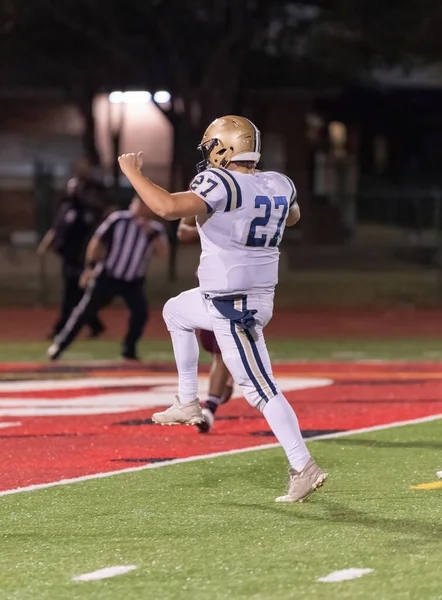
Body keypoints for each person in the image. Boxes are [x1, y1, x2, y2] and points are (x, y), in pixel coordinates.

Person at [118, 115, 327, 503]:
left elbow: (164, 207)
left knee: (260, 389)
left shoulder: (220, 182)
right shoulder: (279, 183)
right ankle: (187, 402)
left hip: (235, 304)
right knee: (175, 311)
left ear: (225, 146)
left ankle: (304, 465)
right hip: (237, 296)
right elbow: (291, 216)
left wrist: (132, 172)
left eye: (211, 145)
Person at [47, 196, 169, 361]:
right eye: (137, 203)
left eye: (144, 204)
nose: (139, 208)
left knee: (140, 313)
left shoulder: (155, 229)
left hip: (133, 281)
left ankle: (129, 350)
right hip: (108, 275)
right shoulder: (118, 220)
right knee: (85, 310)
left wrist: (150, 234)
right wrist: (90, 267)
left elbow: (163, 253)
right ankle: (60, 344)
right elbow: (97, 241)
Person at [38, 157, 107, 339]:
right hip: (67, 256)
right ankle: (95, 325)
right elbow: (57, 227)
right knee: (77, 295)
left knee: (72, 295)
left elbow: (94, 235)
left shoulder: (87, 211)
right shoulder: (65, 207)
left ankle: (60, 330)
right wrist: (47, 243)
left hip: (80, 258)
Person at [177, 216, 234, 433]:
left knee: (225, 347)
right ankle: (229, 375)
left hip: (242, 277)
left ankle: (209, 409)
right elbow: (183, 231)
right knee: (217, 346)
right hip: (210, 277)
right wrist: (207, 230)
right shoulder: (208, 191)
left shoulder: (250, 193)